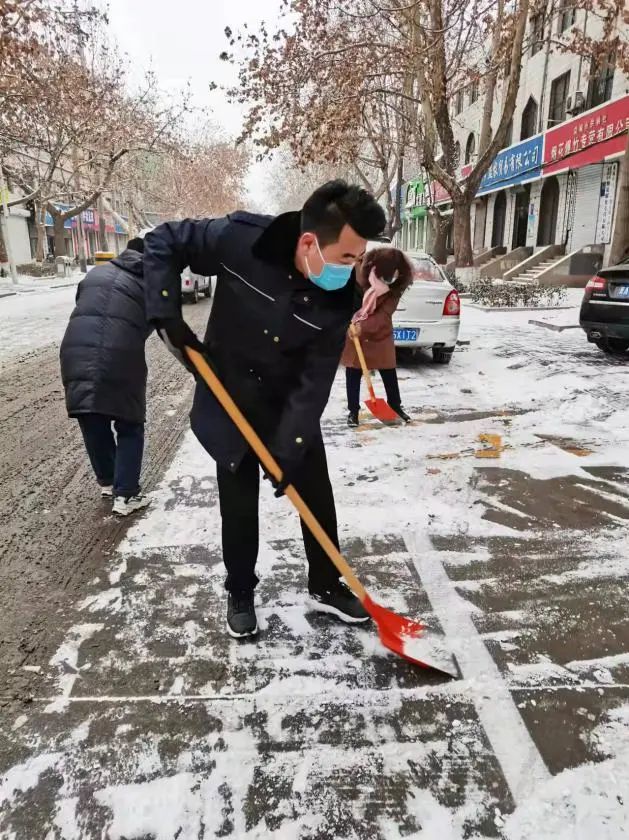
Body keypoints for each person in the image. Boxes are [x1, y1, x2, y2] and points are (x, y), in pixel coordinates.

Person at [143, 180, 386, 638]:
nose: (351, 270)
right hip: (229, 396)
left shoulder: (337, 301)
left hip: (289, 403)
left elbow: (314, 381)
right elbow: (164, 240)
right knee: (237, 504)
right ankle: (240, 589)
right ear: (309, 242)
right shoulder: (241, 240)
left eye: (358, 259)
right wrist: (166, 313)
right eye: (347, 258)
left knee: (315, 493)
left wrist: (288, 450)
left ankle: (326, 582)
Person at [59, 233, 153, 517]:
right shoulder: (150, 282)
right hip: (119, 354)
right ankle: (126, 495)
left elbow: (85, 303)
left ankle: (109, 481)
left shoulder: (97, 272)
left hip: (74, 351)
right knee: (129, 423)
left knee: (91, 415)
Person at [341, 247, 413, 426]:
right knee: (353, 372)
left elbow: (384, 315)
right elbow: (346, 297)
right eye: (386, 275)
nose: (390, 279)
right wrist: (349, 322)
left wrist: (362, 327)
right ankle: (353, 412)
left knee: (388, 371)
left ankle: (395, 406)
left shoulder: (397, 286)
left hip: (380, 333)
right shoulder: (363, 276)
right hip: (355, 331)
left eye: (394, 275)